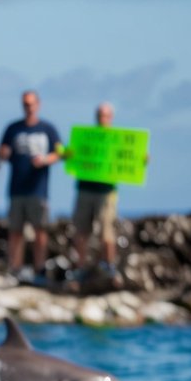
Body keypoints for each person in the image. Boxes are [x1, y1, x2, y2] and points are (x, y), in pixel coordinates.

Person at [0, 90, 62, 285]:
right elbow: (2, 153)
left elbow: (60, 152)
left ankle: (40, 269)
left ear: (38, 104)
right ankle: (14, 269)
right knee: (15, 231)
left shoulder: (48, 129)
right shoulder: (13, 128)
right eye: (25, 104)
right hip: (17, 189)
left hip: (38, 190)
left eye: (31, 103)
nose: (28, 107)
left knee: (40, 231)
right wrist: (3, 152)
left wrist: (45, 160)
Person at [68, 102, 125, 289]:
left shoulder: (119, 140)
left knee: (107, 231)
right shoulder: (85, 138)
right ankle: (80, 268)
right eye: (100, 115)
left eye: (106, 115)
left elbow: (129, 160)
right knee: (81, 230)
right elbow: (73, 156)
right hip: (85, 188)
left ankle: (108, 266)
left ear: (112, 117)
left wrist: (141, 159)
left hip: (106, 191)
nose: (103, 118)